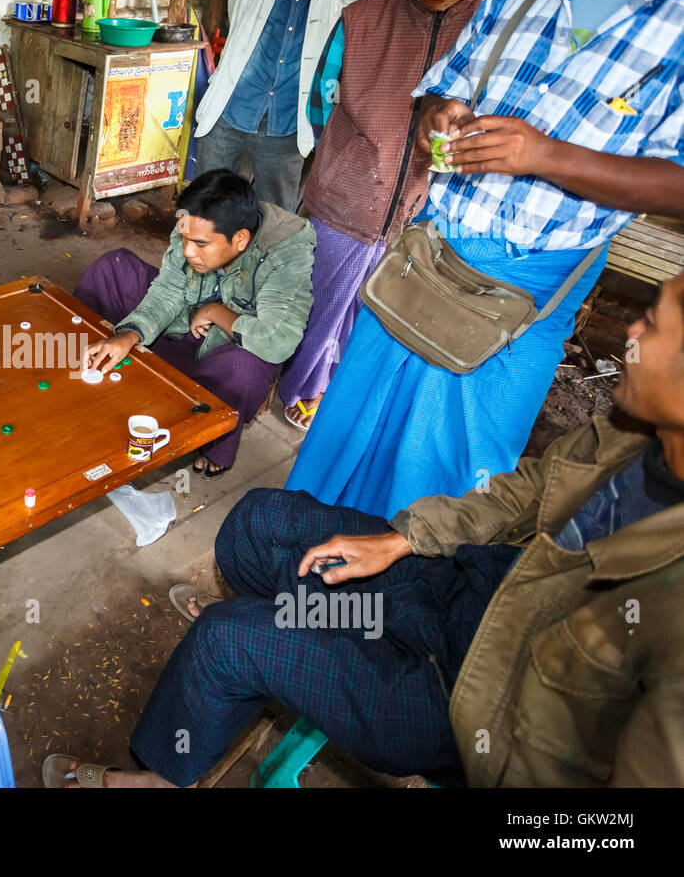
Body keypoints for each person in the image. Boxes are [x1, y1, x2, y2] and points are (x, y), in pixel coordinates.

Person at [48, 269, 684, 788]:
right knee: (257, 520)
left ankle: (167, 768)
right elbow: (527, 491)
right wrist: (406, 539)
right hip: (461, 590)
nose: (630, 330)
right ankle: (271, 654)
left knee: (226, 638)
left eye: (653, 325)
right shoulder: (633, 436)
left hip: (473, 703)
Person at [287, 0, 684, 519]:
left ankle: (389, 607)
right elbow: (439, 90)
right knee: (348, 432)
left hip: (523, 296)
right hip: (426, 262)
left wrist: (547, 156)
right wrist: (434, 118)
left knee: (440, 487)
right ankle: (294, 569)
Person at [280, 0, 511, 432]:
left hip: (428, 211)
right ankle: (303, 389)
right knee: (320, 308)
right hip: (348, 197)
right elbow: (322, 104)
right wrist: (347, 162)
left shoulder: (497, 31)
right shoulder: (362, 18)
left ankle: (347, 401)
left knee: (386, 321)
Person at [75, 170, 315, 476]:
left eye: (201, 245)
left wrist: (217, 312)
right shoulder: (194, 223)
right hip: (181, 324)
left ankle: (215, 444)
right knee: (113, 268)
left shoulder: (286, 253)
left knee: (245, 371)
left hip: (223, 348)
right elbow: (169, 289)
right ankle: (88, 367)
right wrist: (130, 334)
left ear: (240, 239)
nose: (189, 252)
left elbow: (276, 339)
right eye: (185, 240)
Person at [192, 0, 398, 211]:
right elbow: (237, 4)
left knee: (275, 221)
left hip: (293, 108)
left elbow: (364, 22)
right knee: (205, 208)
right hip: (234, 95)